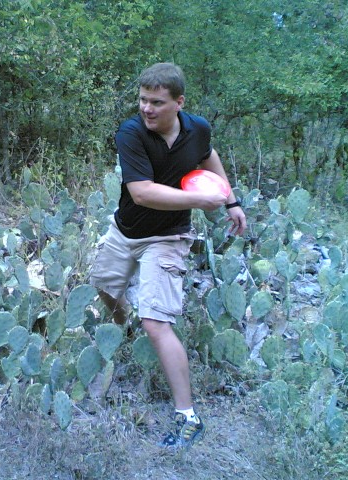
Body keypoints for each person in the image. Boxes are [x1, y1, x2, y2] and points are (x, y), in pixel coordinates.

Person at [89, 62, 247, 449]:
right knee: (104, 286)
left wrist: (230, 200)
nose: (147, 109)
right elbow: (141, 192)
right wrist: (201, 200)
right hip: (124, 229)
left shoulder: (198, 128)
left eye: (157, 102)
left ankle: (188, 417)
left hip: (169, 235)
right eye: (143, 100)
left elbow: (208, 156)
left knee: (156, 321)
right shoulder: (131, 133)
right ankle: (124, 328)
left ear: (179, 103)